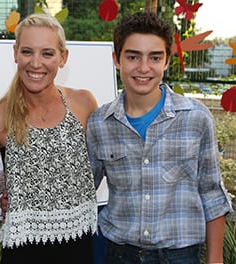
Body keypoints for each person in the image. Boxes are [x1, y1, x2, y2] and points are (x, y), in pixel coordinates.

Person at [86, 12, 234, 263]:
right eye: (133, 56)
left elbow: (211, 194)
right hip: (119, 253)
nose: (143, 68)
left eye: (154, 57)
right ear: (117, 59)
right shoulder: (99, 123)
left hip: (181, 255)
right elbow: (81, 188)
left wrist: (215, 259)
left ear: (166, 61)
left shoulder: (196, 118)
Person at [0, 13, 98, 264]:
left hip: (79, 246)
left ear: (63, 58)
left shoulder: (83, 103)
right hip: (24, 251)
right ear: (15, 54)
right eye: (28, 52)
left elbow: (97, 167)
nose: (36, 63)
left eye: (47, 53)